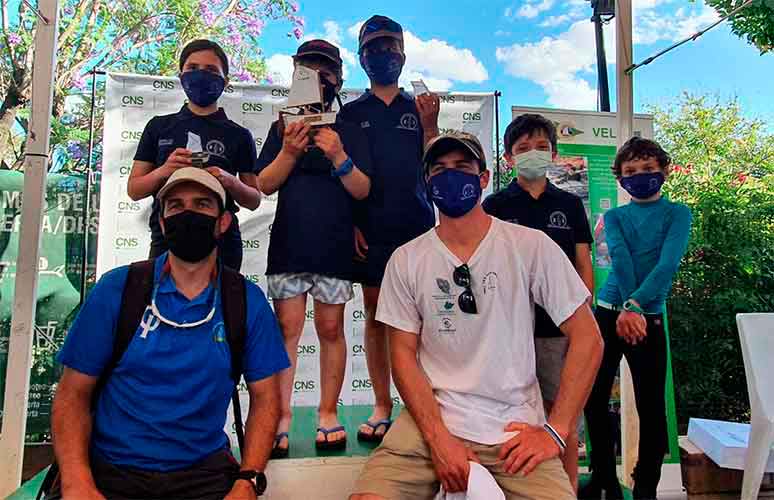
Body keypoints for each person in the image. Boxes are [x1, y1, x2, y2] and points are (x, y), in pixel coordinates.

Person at [350, 131, 604, 500]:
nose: (451, 176)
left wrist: (555, 430)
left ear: (483, 178)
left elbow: (588, 338)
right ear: (427, 183)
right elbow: (402, 354)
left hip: (515, 430)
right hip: (428, 425)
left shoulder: (530, 246)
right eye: (439, 169)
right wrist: (439, 440)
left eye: (463, 167)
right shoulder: (406, 260)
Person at [50, 168, 289, 500]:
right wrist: (77, 482)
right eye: (175, 206)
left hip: (203, 475)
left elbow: (265, 398)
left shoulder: (246, 301)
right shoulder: (118, 289)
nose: (188, 213)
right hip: (112, 472)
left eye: (202, 204)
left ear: (223, 222)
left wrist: (248, 479)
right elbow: (72, 394)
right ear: (162, 223)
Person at [256, 39, 372, 456]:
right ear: (295, 76)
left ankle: (327, 414)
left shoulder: (351, 129)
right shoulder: (280, 127)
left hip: (335, 248)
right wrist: (289, 149)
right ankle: (281, 418)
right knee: (286, 332)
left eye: (326, 71)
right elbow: (263, 184)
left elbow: (362, 189)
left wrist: (339, 154)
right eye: (308, 69)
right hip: (289, 245)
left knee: (330, 330)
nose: (318, 78)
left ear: (338, 78)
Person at [338, 14, 441, 443]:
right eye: (374, 48)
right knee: (377, 320)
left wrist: (432, 124)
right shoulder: (350, 112)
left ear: (403, 53)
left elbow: (437, 164)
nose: (383, 54)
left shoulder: (418, 108)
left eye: (390, 46)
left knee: (426, 320)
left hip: (418, 226)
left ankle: (426, 405)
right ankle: (383, 404)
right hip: (372, 231)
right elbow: (343, 177)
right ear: (362, 57)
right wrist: (351, 224)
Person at [482, 113, 594, 490]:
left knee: (561, 421)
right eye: (523, 148)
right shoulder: (494, 206)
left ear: (554, 153)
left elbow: (583, 262)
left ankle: (566, 492)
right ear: (509, 158)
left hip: (557, 331)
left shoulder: (570, 204)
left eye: (541, 147)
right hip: (508, 333)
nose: (533, 153)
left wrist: (584, 318)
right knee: (512, 421)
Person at [580, 137, 691, 500]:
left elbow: (667, 266)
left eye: (647, 169)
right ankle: (603, 478)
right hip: (609, 313)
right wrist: (629, 307)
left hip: (647, 319)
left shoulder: (678, 214)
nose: (640, 176)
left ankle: (646, 488)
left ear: (664, 170)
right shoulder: (614, 216)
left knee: (651, 408)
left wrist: (635, 307)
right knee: (593, 399)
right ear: (621, 178)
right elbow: (622, 261)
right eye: (630, 171)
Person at [128, 39, 261, 271]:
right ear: (181, 76)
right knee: (163, 304)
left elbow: (254, 199)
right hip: (167, 238)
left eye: (210, 70)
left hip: (222, 241)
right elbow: (134, 190)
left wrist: (229, 181)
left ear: (225, 81)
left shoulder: (239, 135)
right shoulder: (158, 127)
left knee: (222, 305)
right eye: (192, 68)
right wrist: (164, 171)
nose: (201, 75)